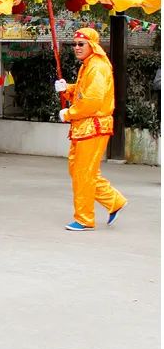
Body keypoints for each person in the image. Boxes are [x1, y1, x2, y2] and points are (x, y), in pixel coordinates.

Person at [54, 28, 127, 231]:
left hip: (92, 125)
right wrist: (67, 88)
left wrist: (68, 113)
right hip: (85, 126)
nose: (76, 47)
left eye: (81, 44)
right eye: (74, 44)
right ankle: (114, 201)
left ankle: (85, 218)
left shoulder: (97, 67)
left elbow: (92, 101)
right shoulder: (88, 66)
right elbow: (82, 92)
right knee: (79, 170)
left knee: (83, 172)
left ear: (92, 46)